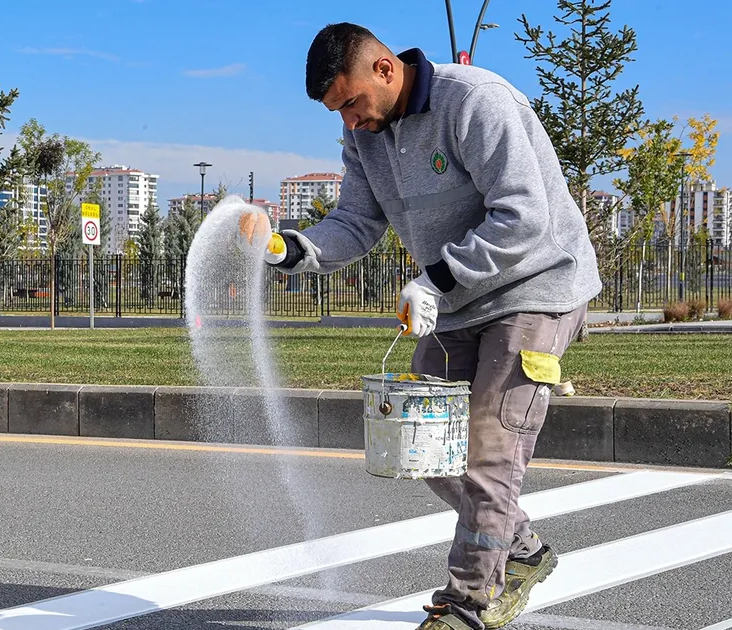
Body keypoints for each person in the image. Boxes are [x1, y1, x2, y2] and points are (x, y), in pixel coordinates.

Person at [236, 22, 602, 630]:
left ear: (384, 69)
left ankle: (466, 605)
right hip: (457, 302)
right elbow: (355, 221)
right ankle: (524, 551)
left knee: (489, 446)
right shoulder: (366, 136)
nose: (349, 123)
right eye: (337, 114)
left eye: (351, 103)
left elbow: (524, 216)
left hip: (536, 289)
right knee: (428, 448)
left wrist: (437, 278)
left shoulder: (476, 101)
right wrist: (285, 247)